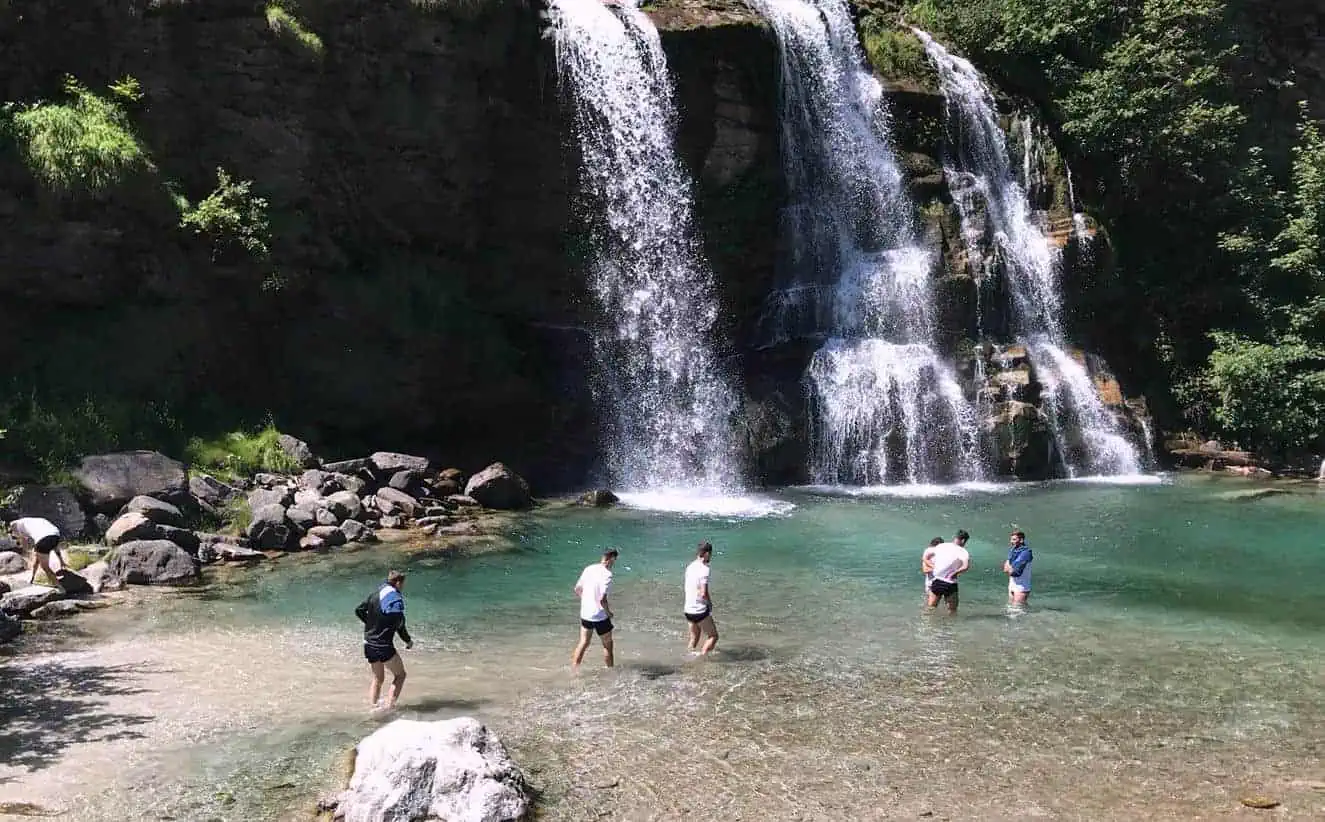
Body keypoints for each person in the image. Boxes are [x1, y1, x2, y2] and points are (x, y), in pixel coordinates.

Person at [356, 570, 413, 711]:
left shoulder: (375, 595)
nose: (403, 587)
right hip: (383, 645)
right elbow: (400, 624)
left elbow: (358, 610)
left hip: (368, 643)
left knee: (378, 679)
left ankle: (373, 708)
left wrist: (370, 624)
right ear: (398, 583)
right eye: (403, 584)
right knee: (400, 675)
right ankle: (388, 709)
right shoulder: (394, 600)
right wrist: (408, 641)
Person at [572, 548, 618, 670]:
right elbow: (602, 599)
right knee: (608, 645)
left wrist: (587, 601)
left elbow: (577, 589)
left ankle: (574, 671)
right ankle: (610, 672)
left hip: (586, 614)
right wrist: (609, 613)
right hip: (600, 616)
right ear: (611, 559)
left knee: (583, 643)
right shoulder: (607, 574)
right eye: (614, 561)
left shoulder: (589, 569)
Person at [922, 529, 971, 613]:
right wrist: (955, 573)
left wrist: (934, 567)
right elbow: (965, 566)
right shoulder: (963, 551)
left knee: (931, 607)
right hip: (950, 583)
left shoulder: (942, 546)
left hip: (937, 581)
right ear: (963, 540)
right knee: (952, 610)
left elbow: (925, 557)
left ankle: (927, 625)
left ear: (955, 537)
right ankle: (948, 626)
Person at [683, 541, 719, 656]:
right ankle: (702, 660)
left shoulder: (690, 566)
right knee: (713, 636)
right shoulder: (704, 569)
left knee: (694, 637)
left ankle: (688, 657)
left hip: (688, 609)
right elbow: (703, 593)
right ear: (707, 554)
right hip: (699, 610)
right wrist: (709, 604)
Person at [8, 516, 67, 585]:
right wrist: (61, 560)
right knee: (37, 558)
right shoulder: (31, 521)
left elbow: (25, 544)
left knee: (45, 567)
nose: (16, 538)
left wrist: (25, 552)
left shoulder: (15, 524)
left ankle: (59, 588)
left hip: (42, 539)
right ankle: (32, 579)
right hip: (55, 535)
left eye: (15, 537)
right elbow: (54, 546)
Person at [1003, 530, 1033, 605]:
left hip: (1021, 586)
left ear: (1021, 540)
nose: (1011, 542)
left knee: (1018, 610)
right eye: (1011, 539)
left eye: (1014, 539)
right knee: (1010, 609)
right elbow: (1005, 569)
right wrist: (1009, 568)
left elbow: (1015, 572)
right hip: (1012, 584)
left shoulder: (1026, 553)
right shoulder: (1013, 550)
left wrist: (1010, 568)